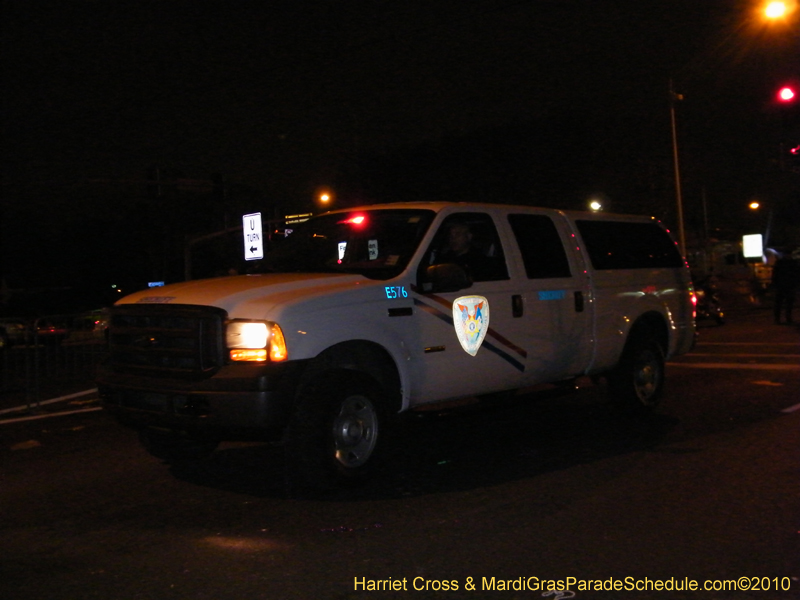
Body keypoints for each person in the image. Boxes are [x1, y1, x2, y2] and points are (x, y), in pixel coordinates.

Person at [772, 251, 799, 324]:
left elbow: (775, 274)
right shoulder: (792, 263)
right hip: (787, 285)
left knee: (782, 303)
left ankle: (781, 318)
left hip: (784, 285)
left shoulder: (780, 262)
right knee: (785, 303)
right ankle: (784, 318)